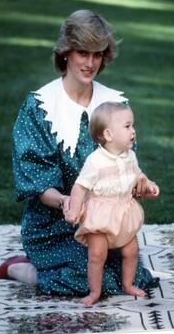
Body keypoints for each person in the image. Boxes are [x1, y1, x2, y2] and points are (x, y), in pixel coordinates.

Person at [0, 9, 160, 298]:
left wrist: (137, 184)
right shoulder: (40, 107)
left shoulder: (114, 105)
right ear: (66, 53)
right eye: (82, 53)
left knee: (134, 278)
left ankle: (54, 270)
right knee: (87, 280)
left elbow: (125, 164)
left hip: (105, 223)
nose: (90, 63)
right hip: (55, 224)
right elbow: (38, 181)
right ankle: (22, 269)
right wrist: (66, 202)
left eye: (97, 54)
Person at [64, 102, 159, 306]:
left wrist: (148, 184)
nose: (133, 131)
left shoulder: (130, 156)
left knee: (131, 251)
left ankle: (127, 284)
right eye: (127, 126)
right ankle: (95, 292)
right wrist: (73, 209)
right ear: (108, 135)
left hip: (123, 212)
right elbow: (80, 187)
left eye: (133, 126)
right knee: (97, 254)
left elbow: (138, 175)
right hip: (100, 215)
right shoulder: (95, 161)